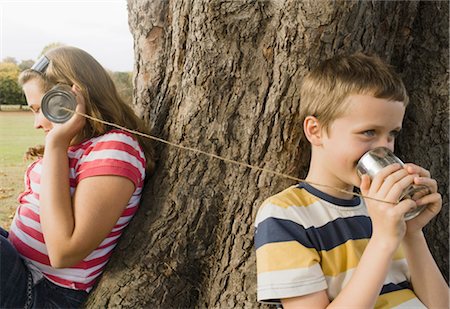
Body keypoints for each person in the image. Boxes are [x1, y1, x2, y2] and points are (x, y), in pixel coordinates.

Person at [254, 53, 448, 308]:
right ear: (316, 130)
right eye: (368, 132)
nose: (384, 148)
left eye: (391, 134)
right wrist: (384, 239)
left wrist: (412, 232)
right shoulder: (285, 216)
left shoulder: (384, 205)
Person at [0, 46, 155, 308]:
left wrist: (56, 145)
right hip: (21, 266)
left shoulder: (116, 148)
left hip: (44, 292)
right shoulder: (75, 147)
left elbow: (63, 252)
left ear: (69, 101)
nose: (37, 123)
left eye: (40, 109)